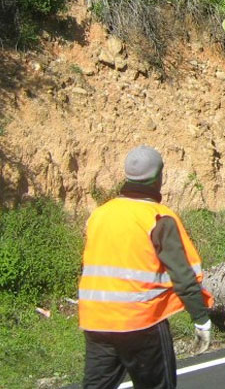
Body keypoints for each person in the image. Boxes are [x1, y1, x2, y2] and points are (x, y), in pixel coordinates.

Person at [78, 145, 214, 389]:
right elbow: (183, 274)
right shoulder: (158, 217)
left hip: (96, 320)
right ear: (159, 177)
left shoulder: (99, 214)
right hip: (141, 323)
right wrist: (200, 317)